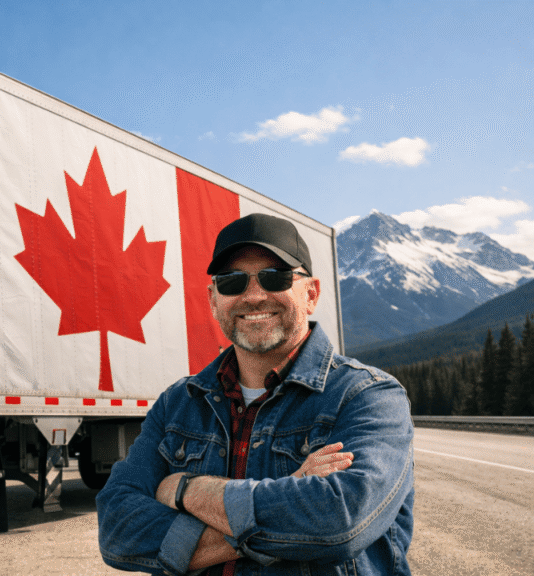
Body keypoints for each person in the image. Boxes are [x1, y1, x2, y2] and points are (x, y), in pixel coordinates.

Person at [96, 213, 414, 575]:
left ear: (311, 294)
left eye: (274, 277)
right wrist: (286, 503)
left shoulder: (367, 396)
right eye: (232, 282)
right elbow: (117, 530)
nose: (253, 296)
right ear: (214, 300)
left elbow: (338, 520)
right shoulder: (176, 404)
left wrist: (186, 490)